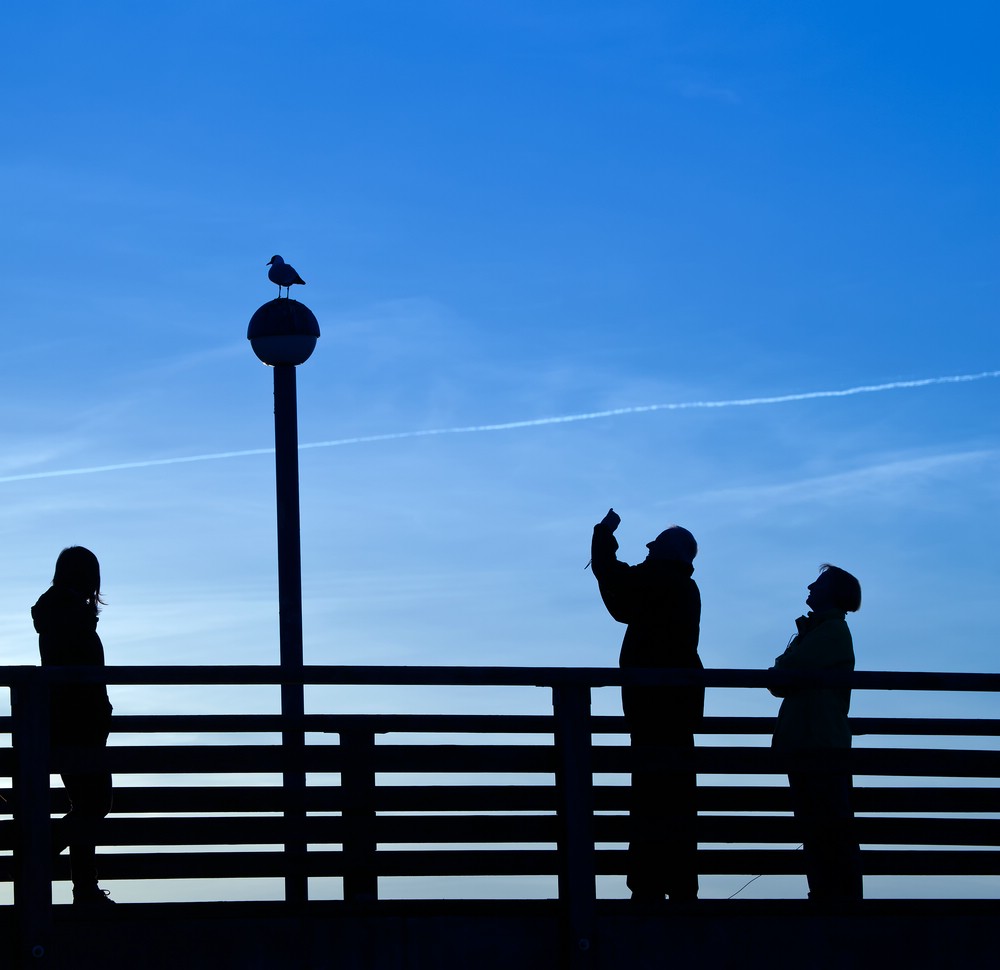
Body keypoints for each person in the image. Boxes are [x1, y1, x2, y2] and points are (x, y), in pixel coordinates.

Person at [590, 508, 702, 901]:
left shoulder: (661, 580)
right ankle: (679, 885)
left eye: (654, 546)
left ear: (667, 553)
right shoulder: (681, 587)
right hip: (678, 708)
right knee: (677, 798)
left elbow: (615, 580)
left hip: (654, 707)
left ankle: (650, 887)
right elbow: (623, 592)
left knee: (651, 797)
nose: (648, 550)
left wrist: (603, 535)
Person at [769, 564, 863, 902]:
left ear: (834, 593)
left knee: (827, 828)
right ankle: (830, 896)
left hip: (819, 744)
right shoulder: (819, 631)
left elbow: (783, 674)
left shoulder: (832, 631)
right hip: (811, 743)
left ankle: (836, 899)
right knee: (819, 827)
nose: (810, 585)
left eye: (819, 582)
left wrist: (782, 667)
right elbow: (782, 679)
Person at [32, 546, 115, 905]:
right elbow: (80, 675)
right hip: (79, 725)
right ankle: (44, 851)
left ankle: (85, 888)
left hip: (68, 724)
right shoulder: (70, 617)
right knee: (95, 803)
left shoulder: (58, 613)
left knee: (87, 803)